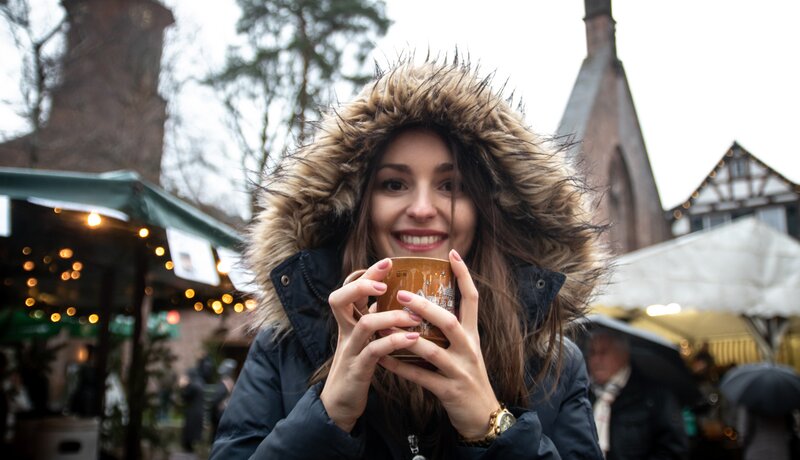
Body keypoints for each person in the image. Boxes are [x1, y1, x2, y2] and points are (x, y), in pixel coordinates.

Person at [211, 58, 607, 459]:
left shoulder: (552, 362)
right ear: (358, 207)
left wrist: (491, 427)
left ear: (488, 210)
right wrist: (328, 415)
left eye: (450, 185)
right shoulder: (284, 348)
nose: (421, 208)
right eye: (394, 184)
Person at [586, 331, 688, 460]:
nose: (596, 359)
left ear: (623, 353)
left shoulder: (656, 396)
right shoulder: (582, 394)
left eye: (603, 352)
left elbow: (674, 451)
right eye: (592, 352)